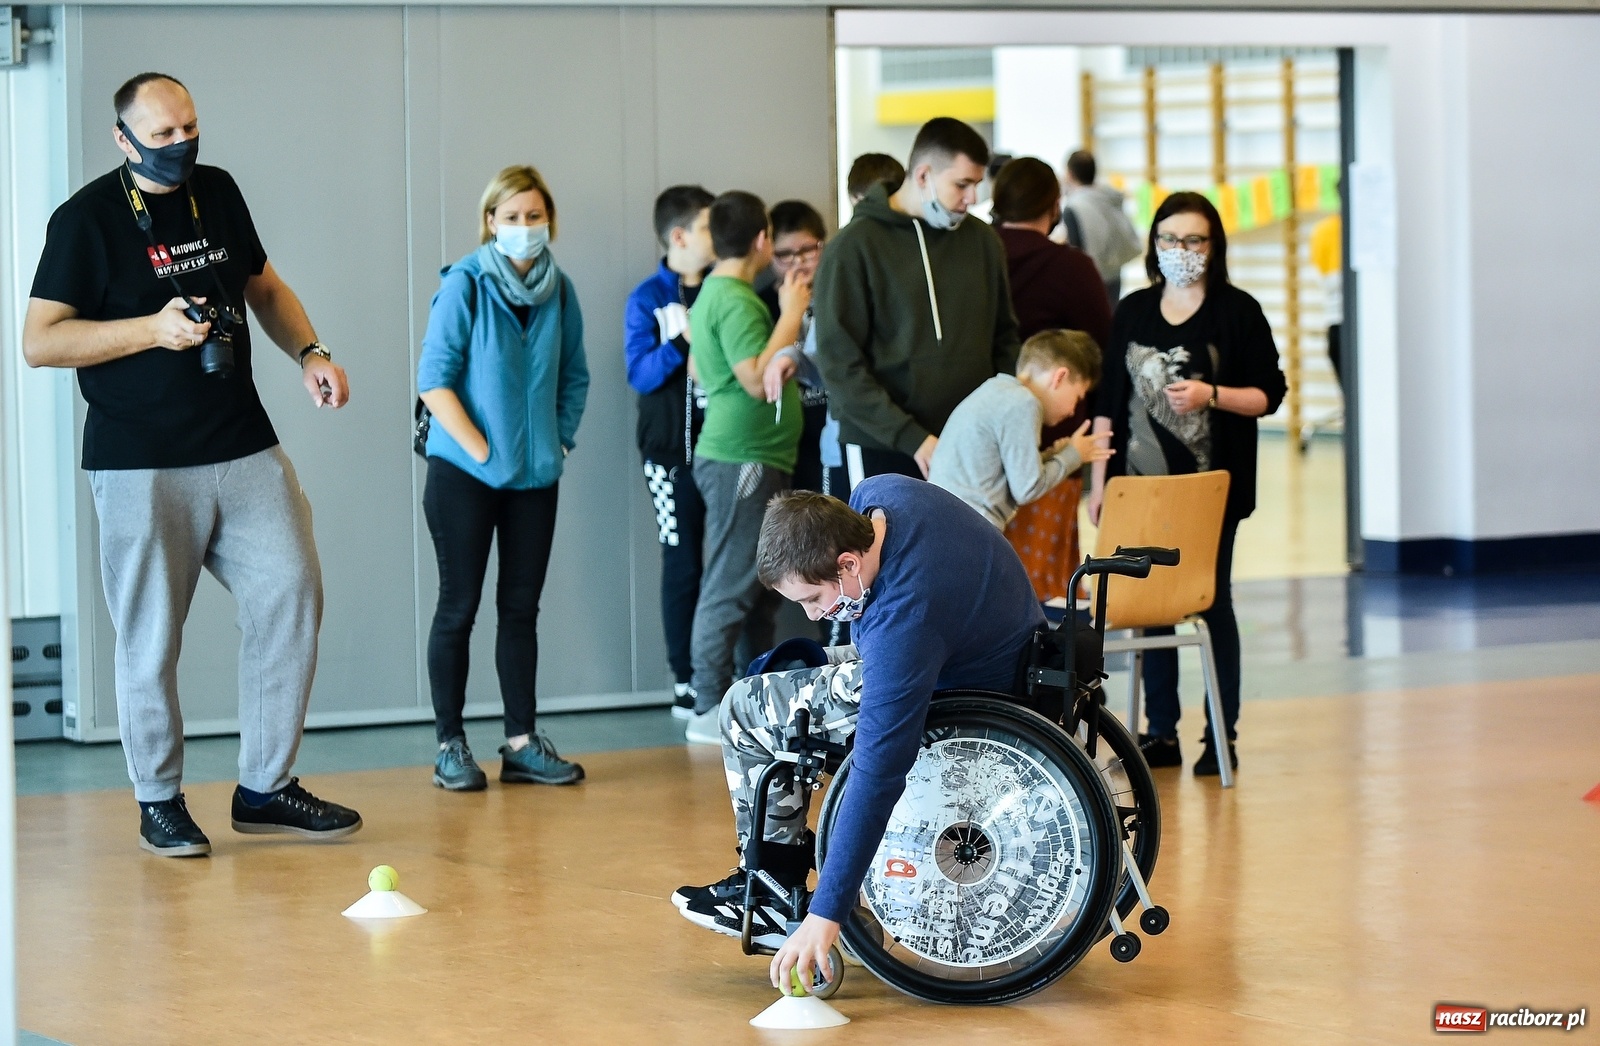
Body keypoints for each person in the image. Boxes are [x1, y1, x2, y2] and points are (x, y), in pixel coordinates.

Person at [21, 72, 361, 856]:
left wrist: (310, 351)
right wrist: (150, 330)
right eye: (162, 135)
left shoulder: (219, 190)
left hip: (242, 441)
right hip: (140, 459)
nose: (180, 146)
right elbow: (41, 341)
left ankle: (265, 786)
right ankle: (158, 800)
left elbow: (263, 287)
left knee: (292, 594)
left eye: (189, 129)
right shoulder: (86, 221)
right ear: (123, 138)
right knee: (151, 636)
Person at [672, 478, 1045, 991]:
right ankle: (773, 874)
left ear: (848, 564)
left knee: (745, 707)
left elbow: (878, 773)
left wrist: (827, 914)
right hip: (971, 647)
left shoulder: (903, 619)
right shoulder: (882, 495)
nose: (810, 613)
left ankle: (775, 885)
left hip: (962, 687)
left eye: (813, 597)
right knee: (774, 674)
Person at [1089, 191, 1287, 776]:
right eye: (1170, 239)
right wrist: (1100, 480)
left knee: (1209, 600)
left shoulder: (1238, 311)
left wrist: (1211, 395)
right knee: (1152, 608)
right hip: (1139, 489)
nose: (1182, 250)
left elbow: (1268, 396)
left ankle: (1219, 734)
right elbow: (1108, 404)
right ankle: (1160, 732)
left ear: (1213, 246)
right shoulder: (1133, 311)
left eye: (1194, 240)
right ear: (1154, 245)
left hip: (1209, 491)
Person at [417, 164, 590, 790]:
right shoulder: (465, 285)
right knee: (457, 607)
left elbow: (575, 377)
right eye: (511, 217)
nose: (524, 228)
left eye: (534, 217)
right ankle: (450, 746)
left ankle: (521, 742)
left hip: (536, 476)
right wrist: (483, 449)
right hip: (464, 473)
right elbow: (433, 380)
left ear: (549, 222)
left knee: (520, 610)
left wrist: (558, 441)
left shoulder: (560, 290)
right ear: (490, 222)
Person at [814, 118, 1020, 488]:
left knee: (966, 547)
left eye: (976, 184)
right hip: (882, 443)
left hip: (971, 441)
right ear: (923, 175)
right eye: (962, 184)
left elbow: (1005, 338)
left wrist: (1000, 419)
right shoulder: (853, 247)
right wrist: (913, 438)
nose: (972, 198)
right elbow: (840, 363)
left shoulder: (983, 241)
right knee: (889, 547)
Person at [682, 191, 806, 744]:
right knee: (731, 584)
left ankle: (746, 698)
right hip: (741, 459)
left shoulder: (717, 293)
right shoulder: (733, 298)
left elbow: (700, 368)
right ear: (762, 240)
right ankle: (708, 705)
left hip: (749, 456)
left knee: (756, 587)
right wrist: (794, 312)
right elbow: (756, 379)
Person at [991, 157, 1113, 598]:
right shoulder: (1071, 268)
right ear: (1054, 205)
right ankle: (1042, 668)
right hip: (1054, 443)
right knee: (1042, 591)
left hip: (977, 440)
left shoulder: (974, 258)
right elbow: (1103, 350)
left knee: (989, 584)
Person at [625, 185, 718, 717]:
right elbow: (639, 372)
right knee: (681, 562)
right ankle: (683, 677)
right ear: (679, 235)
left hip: (726, 454)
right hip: (668, 457)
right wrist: (683, 340)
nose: (716, 237)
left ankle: (722, 671)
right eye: (708, 227)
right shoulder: (647, 297)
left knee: (729, 564)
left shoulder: (728, 289)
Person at [929, 329, 1112, 530]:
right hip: (967, 527)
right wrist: (1073, 455)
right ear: (1059, 377)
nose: (1072, 411)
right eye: (1077, 398)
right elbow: (1027, 488)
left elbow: (1009, 470)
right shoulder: (1024, 404)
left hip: (947, 520)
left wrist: (1052, 456)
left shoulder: (997, 389)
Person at [757, 200, 842, 496]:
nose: (798, 262)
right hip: (788, 434)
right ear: (768, 253)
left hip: (831, 421)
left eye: (808, 250)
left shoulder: (839, 294)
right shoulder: (761, 305)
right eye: (784, 254)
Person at [1060, 149, 1144, 305]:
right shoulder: (1109, 196)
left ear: (1069, 174)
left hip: (1089, 277)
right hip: (1114, 271)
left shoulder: (1075, 206)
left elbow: (1075, 248)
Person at [1309, 211, 1344, 390]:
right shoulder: (1326, 231)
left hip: (1336, 321)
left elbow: (1321, 277)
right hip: (1338, 320)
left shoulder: (1324, 230)